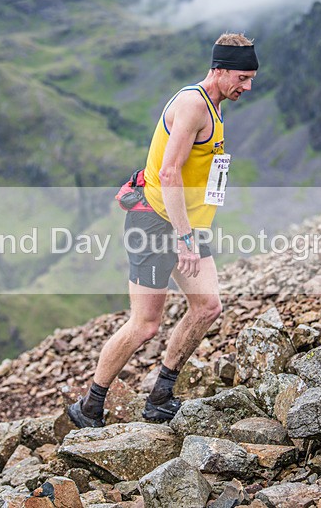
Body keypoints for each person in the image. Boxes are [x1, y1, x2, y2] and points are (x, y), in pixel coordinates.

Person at [67, 32, 259, 428]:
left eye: (251, 78)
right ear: (219, 70)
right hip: (156, 221)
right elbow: (169, 173)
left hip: (186, 224)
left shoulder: (215, 105)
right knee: (145, 325)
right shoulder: (193, 104)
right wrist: (184, 239)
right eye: (241, 78)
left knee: (207, 307)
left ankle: (160, 395)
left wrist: (190, 230)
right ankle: (89, 406)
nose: (248, 86)